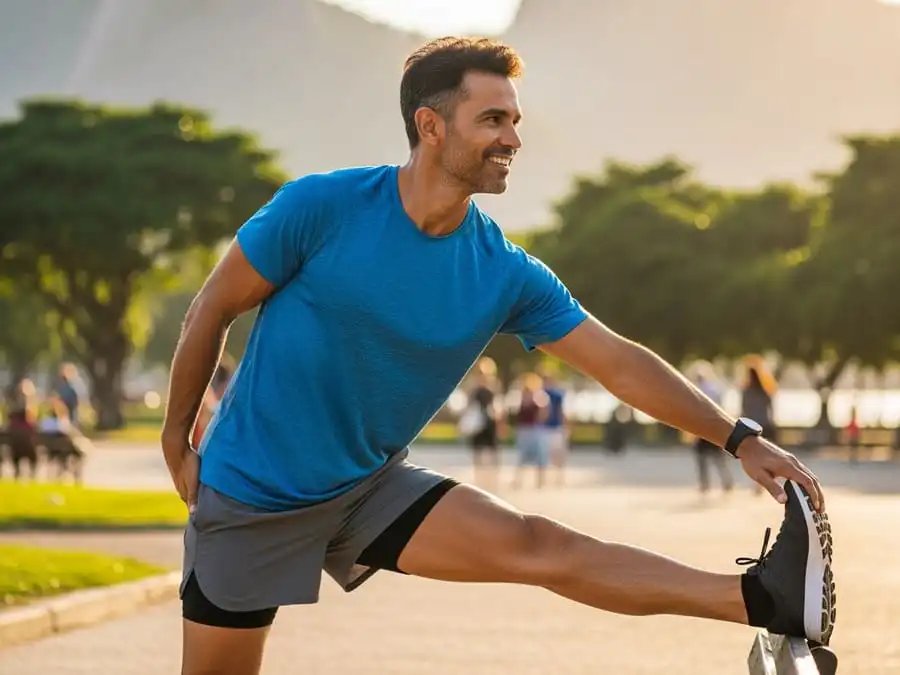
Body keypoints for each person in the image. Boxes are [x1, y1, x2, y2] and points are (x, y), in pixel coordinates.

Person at [162, 37, 835, 675]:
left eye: (514, 120)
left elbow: (618, 363)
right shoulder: (321, 207)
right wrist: (175, 438)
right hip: (254, 495)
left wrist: (738, 436)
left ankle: (762, 596)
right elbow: (211, 307)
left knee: (539, 545)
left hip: (366, 489)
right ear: (431, 126)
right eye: (492, 119)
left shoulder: (504, 271)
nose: (513, 138)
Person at [691, 362, 734, 495]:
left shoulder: (695, 390)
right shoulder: (715, 390)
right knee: (718, 458)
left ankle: (705, 483)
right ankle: (726, 482)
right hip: (713, 427)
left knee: (702, 458)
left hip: (701, 429)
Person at [462, 356, 505, 487]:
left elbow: (498, 406)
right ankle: (478, 477)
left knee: (493, 450)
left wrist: (500, 425)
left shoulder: (494, 385)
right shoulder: (472, 386)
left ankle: (493, 477)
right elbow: (468, 404)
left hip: (490, 421)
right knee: (478, 450)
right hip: (477, 422)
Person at [511, 372, 550, 489]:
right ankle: (519, 480)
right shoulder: (520, 396)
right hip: (523, 429)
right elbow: (515, 412)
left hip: (535, 429)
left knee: (540, 456)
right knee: (521, 456)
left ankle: (540, 481)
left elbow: (544, 414)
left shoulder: (540, 396)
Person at [540, 368, 570, 485]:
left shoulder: (557, 395)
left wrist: (566, 426)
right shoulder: (540, 393)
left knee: (558, 455)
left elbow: (562, 412)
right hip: (544, 428)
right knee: (544, 455)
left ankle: (559, 478)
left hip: (556, 427)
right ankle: (544, 479)